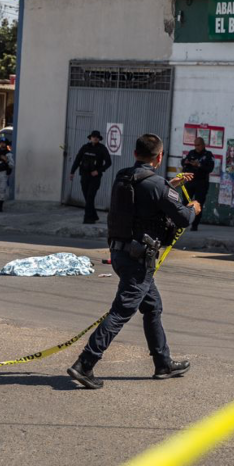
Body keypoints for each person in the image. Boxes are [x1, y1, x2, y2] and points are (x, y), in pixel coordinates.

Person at [67, 133, 200, 389]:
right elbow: (182, 217)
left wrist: (170, 184)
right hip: (138, 259)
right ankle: (85, 363)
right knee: (121, 311)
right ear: (159, 157)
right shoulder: (157, 186)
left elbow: (145, 198)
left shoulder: (124, 177)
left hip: (120, 253)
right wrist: (193, 207)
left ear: (135, 154)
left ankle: (163, 363)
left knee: (152, 307)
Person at [69, 130, 112, 224]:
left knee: (90, 196)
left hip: (95, 177)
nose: (95, 138)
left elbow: (108, 162)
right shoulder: (85, 148)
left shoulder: (102, 149)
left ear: (99, 139)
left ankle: (88, 218)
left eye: (97, 137)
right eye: (93, 137)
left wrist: (98, 171)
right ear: (90, 138)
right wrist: (72, 172)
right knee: (87, 197)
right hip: (84, 175)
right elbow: (77, 160)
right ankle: (94, 215)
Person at [180, 137, 216, 230]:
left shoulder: (208, 155)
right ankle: (182, 222)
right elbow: (183, 162)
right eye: (195, 145)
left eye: (198, 145)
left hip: (202, 183)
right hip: (190, 181)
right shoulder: (191, 153)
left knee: (198, 204)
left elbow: (210, 168)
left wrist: (198, 165)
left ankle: (194, 225)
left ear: (203, 145)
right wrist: (186, 162)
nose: (196, 147)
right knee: (185, 202)